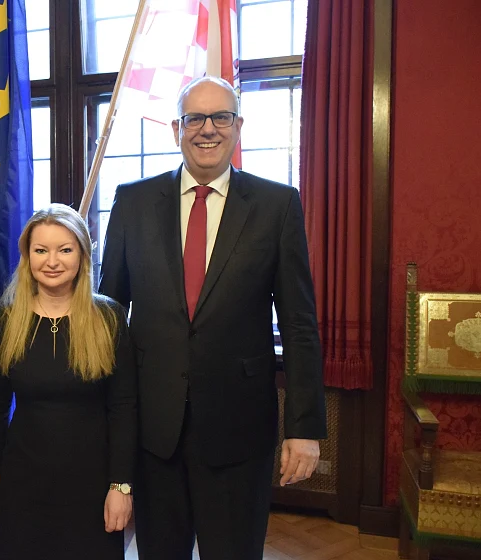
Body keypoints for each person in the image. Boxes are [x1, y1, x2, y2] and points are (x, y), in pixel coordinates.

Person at [99, 76, 327, 560]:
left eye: (220, 117)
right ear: (176, 129)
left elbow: (300, 323)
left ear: (238, 126)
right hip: (153, 429)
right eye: (194, 119)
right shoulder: (133, 201)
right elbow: (109, 316)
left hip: (238, 429)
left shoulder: (277, 205)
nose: (208, 129)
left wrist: (304, 429)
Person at [0, 204, 137, 560]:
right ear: (27, 256)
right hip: (22, 479)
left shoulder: (108, 316)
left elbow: (124, 407)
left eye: (65, 249)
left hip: (93, 482)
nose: (52, 261)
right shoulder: (4, 320)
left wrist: (121, 485)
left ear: (82, 255)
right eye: (41, 250)